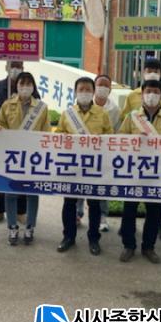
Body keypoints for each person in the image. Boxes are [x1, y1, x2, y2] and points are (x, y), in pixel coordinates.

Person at [117, 80, 161, 264]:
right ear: (142, 94)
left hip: (157, 174)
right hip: (134, 172)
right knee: (129, 210)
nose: (152, 95)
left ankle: (148, 247)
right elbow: (119, 140)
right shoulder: (132, 117)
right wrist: (135, 140)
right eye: (148, 91)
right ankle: (129, 246)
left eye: (156, 92)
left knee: (155, 212)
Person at [56, 77, 113, 255]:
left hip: (94, 167)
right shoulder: (67, 114)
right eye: (81, 89)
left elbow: (110, 137)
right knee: (69, 202)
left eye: (88, 89)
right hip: (72, 166)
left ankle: (94, 239)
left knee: (94, 204)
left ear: (93, 92)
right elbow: (58, 136)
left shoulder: (102, 114)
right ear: (75, 92)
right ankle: (68, 237)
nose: (85, 92)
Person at [0, 72, 51, 246]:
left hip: (33, 157)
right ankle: (12, 227)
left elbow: (46, 132)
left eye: (29, 84)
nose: (25, 87)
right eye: (22, 83)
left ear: (33, 87)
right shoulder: (7, 105)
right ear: (17, 86)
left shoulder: (42, 107)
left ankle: (30, 227)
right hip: (12, 156)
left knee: (32, 193)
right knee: (10, 191)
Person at [0, 61, 36, 225]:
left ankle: (20, 211)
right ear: (6, 67)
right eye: (13, 65)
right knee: (0, 176)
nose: (15, 69)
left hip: (25, 143)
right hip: (3, 139)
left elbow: (38, 110)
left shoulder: (31, 89)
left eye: (19, 66)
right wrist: (3, 103)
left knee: (22, 176)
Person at [76, 74, 120, 232]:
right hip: (80, 155)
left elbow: (114, 132)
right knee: (79, 184)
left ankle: (102, 216)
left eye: (106, 85)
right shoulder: (77, 108)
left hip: (102, 155)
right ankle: (78, 213)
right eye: (100, 84)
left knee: (102, 186)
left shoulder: (114, 110)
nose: (102, 88)